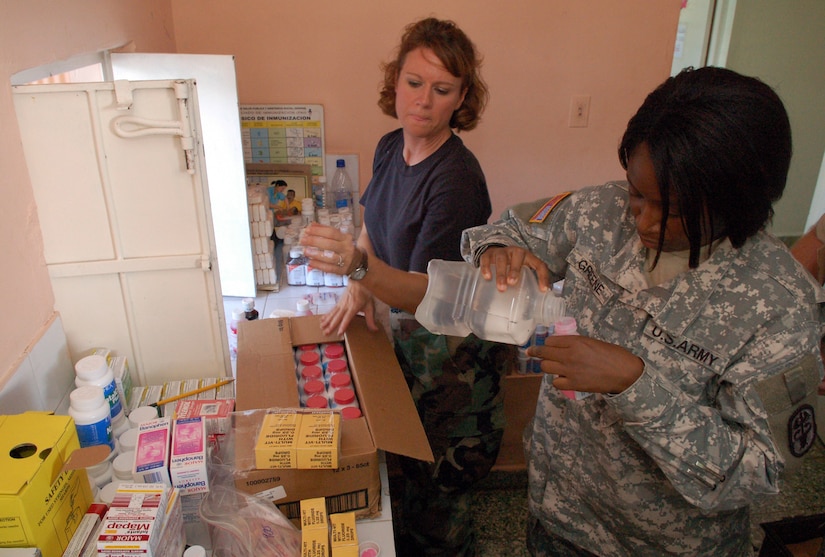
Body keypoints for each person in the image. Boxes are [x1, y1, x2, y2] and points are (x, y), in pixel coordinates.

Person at [460, 67, 825, 556]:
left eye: (674, 209)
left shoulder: (777, 305)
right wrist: (498, 248)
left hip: (658, 545)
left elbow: (761, 471)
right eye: (637, 192)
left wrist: (635, 384)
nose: (644, 220)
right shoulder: (599, 210)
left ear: (738, 201)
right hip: (557, 512)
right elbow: (512, 228)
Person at [299, 17, 515, 557]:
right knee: (406, 489)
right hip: (409, 349)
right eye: (414, 83)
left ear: (461, 98)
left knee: (440, 509)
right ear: (395, 81)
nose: (423, 100)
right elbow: (373, 222)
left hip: (451, 372)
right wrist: (359, 284)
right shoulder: (392, 146)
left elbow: (426, 293)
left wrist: (356, 271)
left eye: (441, 90)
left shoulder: (457, 180)